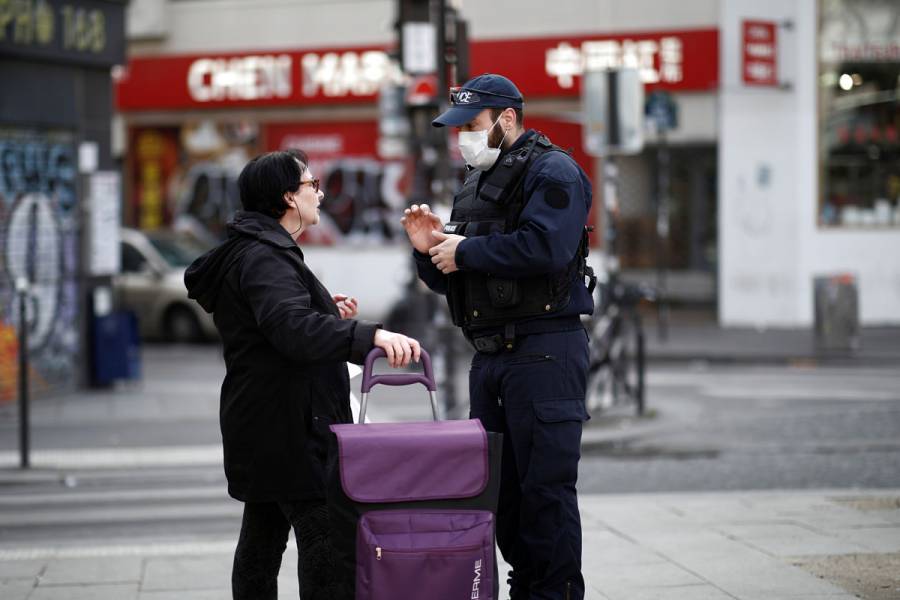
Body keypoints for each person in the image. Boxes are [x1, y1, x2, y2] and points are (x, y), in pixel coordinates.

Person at [185, 149, 419, 600]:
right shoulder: (265, 257)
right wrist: (368, 336)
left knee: (262, 541)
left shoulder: (258, 252)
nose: (321, 192)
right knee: (325, 542)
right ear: (288, 197)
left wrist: (325, 310)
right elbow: (292, 330)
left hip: (267, 421)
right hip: (289, 427)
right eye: (312, 184)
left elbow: (276, 322)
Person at [401, 73, 595, 600]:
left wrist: (464, 250)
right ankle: (524, 589)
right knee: (500, 497)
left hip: (543, 353)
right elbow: (456, 277)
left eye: (472, 126)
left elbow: (546, 247)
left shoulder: (554, 171)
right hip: (490, 360)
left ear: (507, 119)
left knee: (545, 495)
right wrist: (429, 250)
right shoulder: (476, 181)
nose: (461, 137)